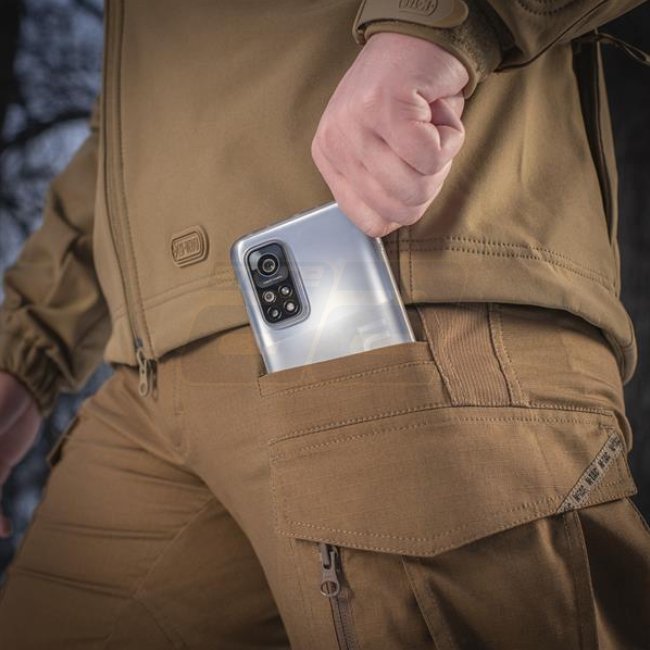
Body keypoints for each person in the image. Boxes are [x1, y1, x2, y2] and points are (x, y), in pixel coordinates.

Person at [0, 0, 649, 647]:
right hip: (149, 385)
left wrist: (437, 21)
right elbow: (124, 128)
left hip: (403, 301)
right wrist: (25, 350)